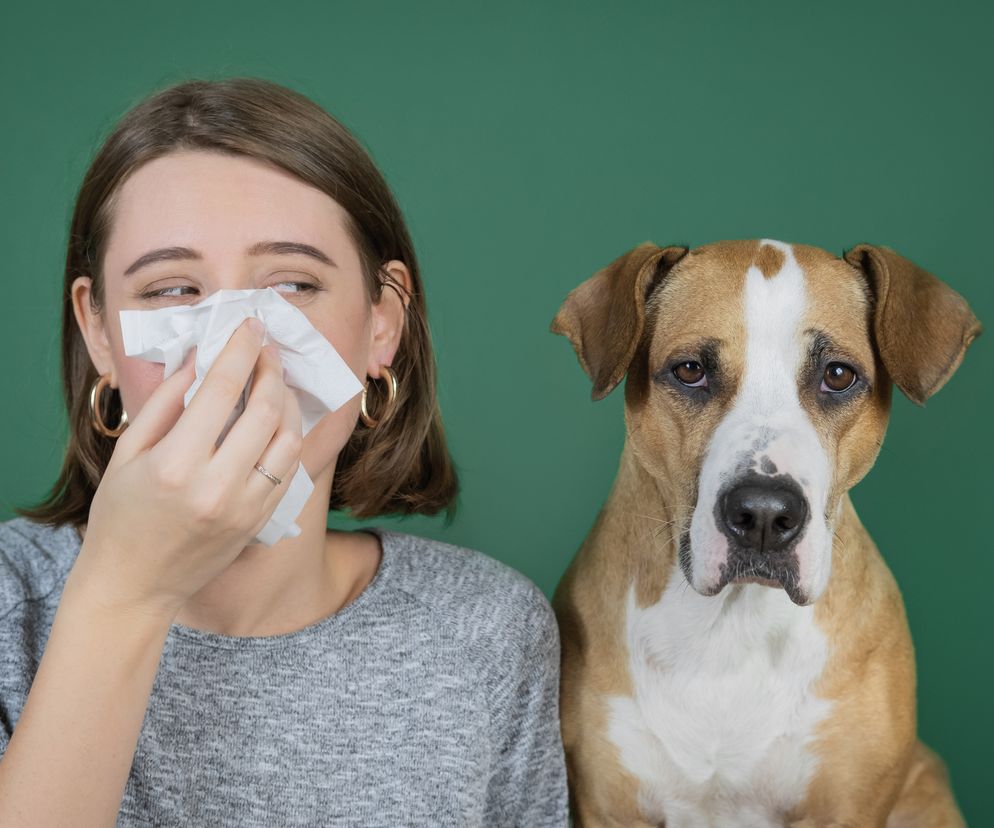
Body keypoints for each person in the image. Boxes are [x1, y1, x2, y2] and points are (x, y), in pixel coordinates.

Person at [0, 77, 568, 827]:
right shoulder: (8, 607)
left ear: (382, 323)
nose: (237, 343)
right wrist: (125, 589)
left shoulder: (486, 630)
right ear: (99, 332)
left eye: (294, 284)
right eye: (171, 290)